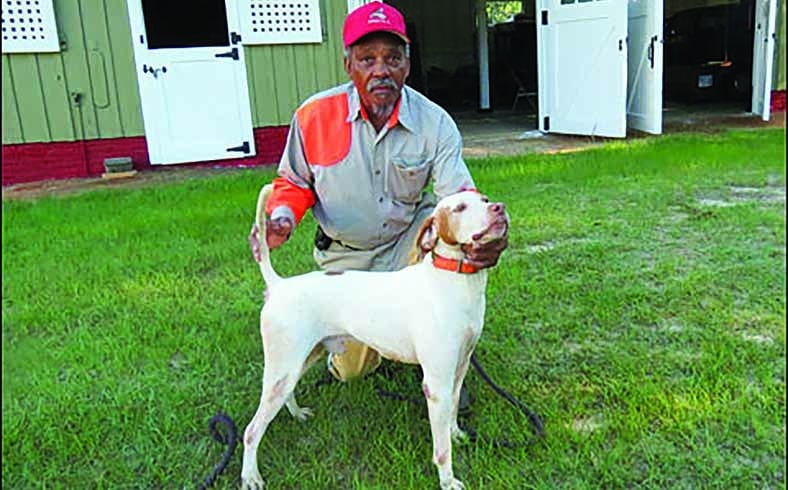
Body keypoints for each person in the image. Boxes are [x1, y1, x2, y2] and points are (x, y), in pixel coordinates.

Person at [249, 2, 508, 386]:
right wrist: (282, 218)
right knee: (352, 370)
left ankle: (446, 352)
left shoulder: (434, 122)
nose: (381, 70)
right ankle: (347, 345)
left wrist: (485, 231)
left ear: (407, 63)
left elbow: (459, 194)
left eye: (392, 57)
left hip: (411, 242)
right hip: (347, 254)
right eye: (367, 58)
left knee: (446, 290)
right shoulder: (313, 117)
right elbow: (293, 183)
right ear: (348, 65)